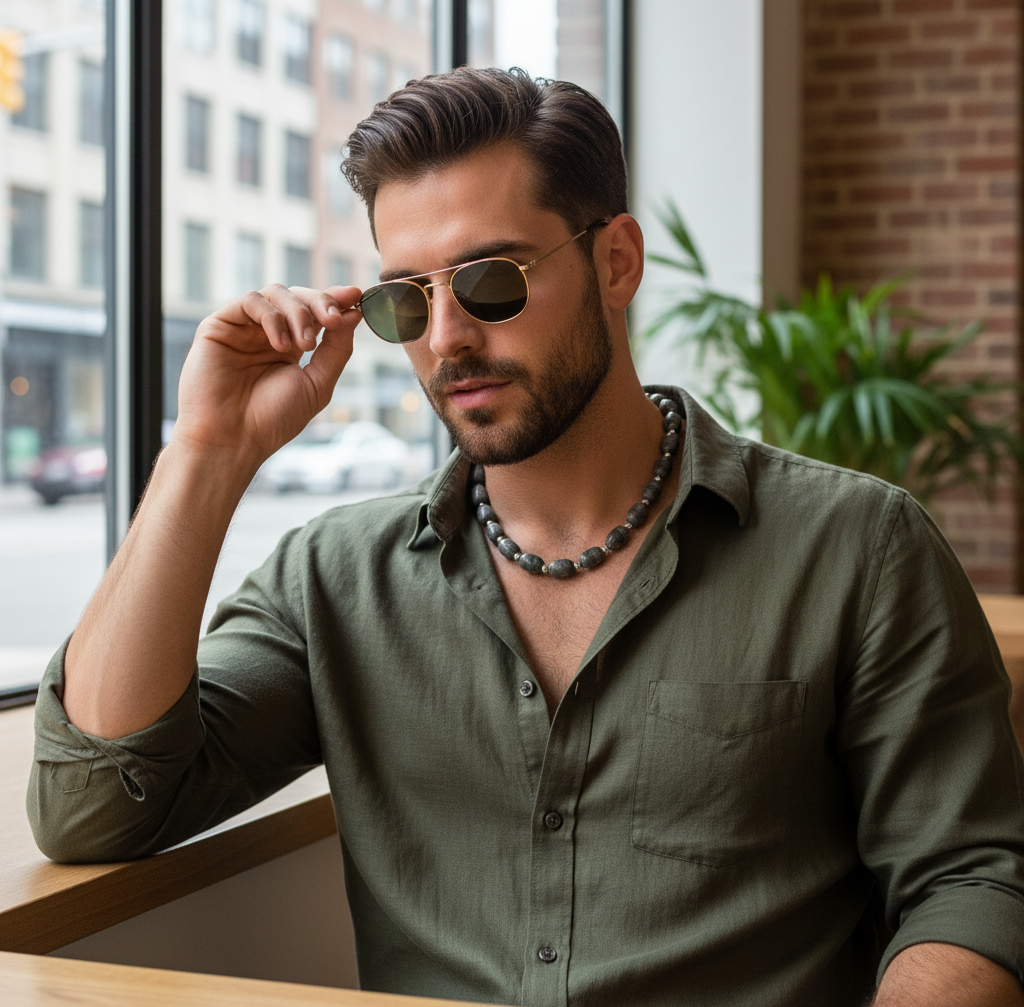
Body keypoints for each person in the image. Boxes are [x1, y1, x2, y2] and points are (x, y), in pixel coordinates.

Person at [28, 67, 1024, 1007]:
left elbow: (973, 879)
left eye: (490, 279)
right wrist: (205, 453)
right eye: (403, 298)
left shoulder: (855, 547)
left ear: (615, 261)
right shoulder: (334, 581)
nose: (446, 335)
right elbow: (94, 806)